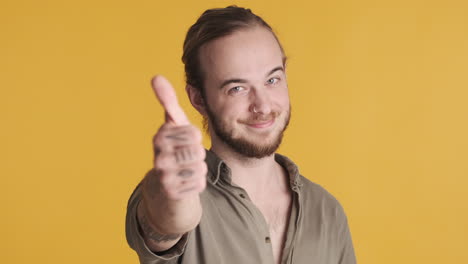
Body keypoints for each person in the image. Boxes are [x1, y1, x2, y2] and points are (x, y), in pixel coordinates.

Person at [126, 6, 356, 264]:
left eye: (272, 80)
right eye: (237, 88)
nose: (264, 107)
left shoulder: (328, 211)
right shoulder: (173, 189)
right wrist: (174, 197)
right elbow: (165, 221)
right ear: (198, 99)